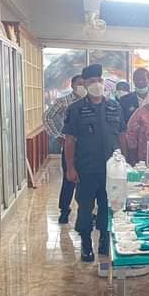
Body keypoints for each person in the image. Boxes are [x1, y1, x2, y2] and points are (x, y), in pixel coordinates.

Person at [63, 64, 125, 263]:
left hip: (111, 170)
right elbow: (69, 140)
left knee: (108, 206)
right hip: (86, 168)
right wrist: (70, 168)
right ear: (84, 84)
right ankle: (86, 243)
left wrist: (126, 162)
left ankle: (105, 241)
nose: (96, 84)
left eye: (99, 80)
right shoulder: (75, 109)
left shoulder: (114, 106)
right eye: (91, 81)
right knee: (85, 208)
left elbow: (121, 135)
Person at [43, 75, 87, 224]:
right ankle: (64, 211)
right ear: (73, 86)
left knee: (88, 181)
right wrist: (57, 135)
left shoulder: (90, 102)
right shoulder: (63, 101)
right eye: (79, 84)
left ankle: (87, 212)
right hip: (70, 146)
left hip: (88, 148)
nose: (82, 87)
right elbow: (47, 117)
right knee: (69, 180)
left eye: (84, 84)